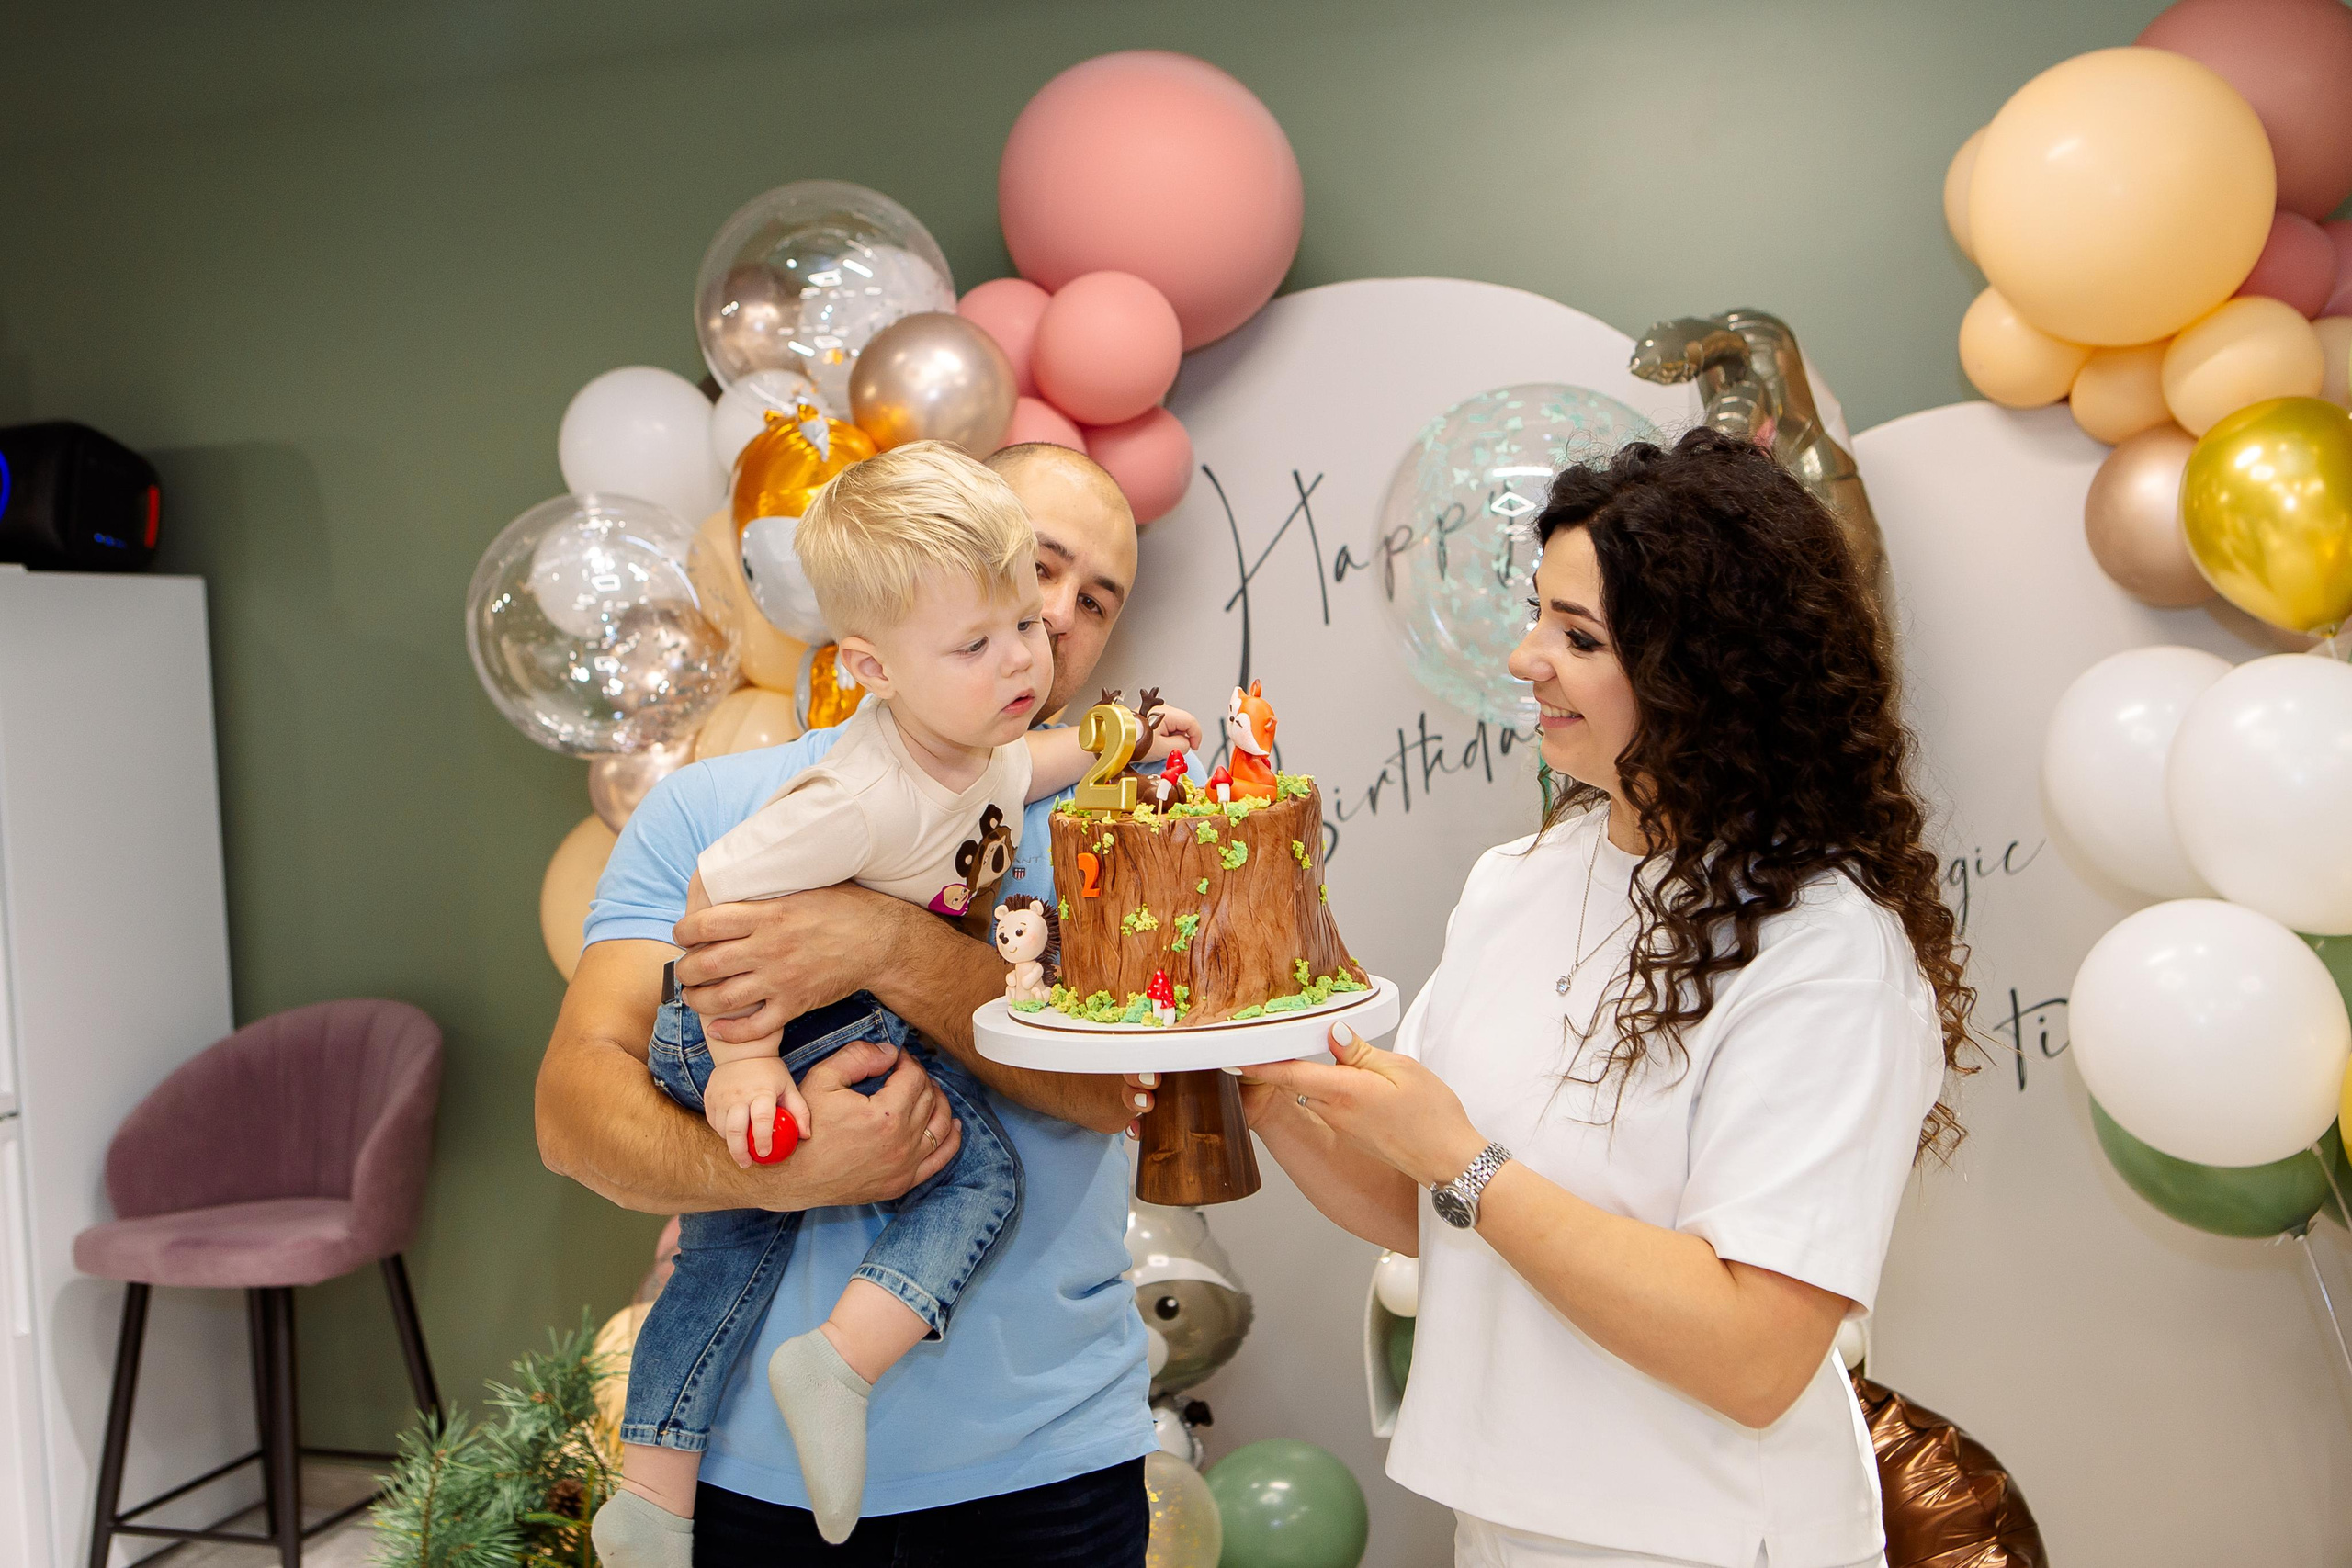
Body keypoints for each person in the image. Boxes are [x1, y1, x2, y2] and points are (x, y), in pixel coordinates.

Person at [1238, 428, 1969, 1568]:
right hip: (1501, 1527)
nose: (1525, 657)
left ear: (1708, 674)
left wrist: (1463, 1160)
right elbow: (1428, 1212)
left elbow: (1754, 1353)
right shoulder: (1516, 880)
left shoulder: (1825, 954)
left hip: (1706, 1542)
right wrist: (1264, 1090)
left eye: (1578, 637)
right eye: (1537, 615)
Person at [537, 443, 1167, 1565]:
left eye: (1094, 601)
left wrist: (881, 941)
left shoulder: (1122, 822)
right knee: (741, 1246)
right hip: (754, 1482)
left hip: (1052, 1463)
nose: (1052, 619)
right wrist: (772, 1161)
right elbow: (573, 1114)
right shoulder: (723, 805)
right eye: (1038, 567)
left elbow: (1119, 1093)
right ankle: (665, 1482)